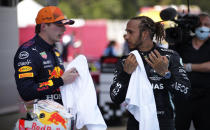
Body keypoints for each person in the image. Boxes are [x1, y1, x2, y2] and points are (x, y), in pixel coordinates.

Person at [109, 16, 191, 130]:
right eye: (126, 32)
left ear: (145, 33)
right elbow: (115, 98)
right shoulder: (126, 61)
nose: (126, 36)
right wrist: (125, 75)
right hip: (135, 122)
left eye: (130, 32)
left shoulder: (170, 56)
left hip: (164, 122)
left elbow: (185, 93)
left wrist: (166, 74)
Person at [14, 6, 79, 105]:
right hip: (41, 118)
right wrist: (61, 80)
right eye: (59, 25)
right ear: (44, 26)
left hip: (61, 116)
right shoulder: (27, 52)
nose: (64, 29)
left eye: (64, 25)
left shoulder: (55, 51)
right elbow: (26, 92)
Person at [173, 12, 210, 130]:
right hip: (183, 98)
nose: (203, 27)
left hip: (206, 99)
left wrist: (186, 66)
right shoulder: (183, 42)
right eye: (200, 24)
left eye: (207, 24)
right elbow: (172, 61)